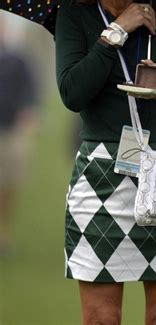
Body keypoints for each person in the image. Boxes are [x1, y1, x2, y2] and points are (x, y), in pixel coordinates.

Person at [55, 0, 156, 323]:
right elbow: (71, 93)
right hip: (98, 179)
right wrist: (115, 33)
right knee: (101, 319)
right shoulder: (75, 12)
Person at [0, 20, 39, 256]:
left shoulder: (16, 60)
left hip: (11, 130)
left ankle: (3, 231)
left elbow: (29, 93)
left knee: (8, 183)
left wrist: (28, 115)